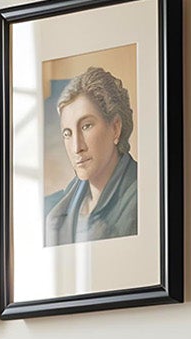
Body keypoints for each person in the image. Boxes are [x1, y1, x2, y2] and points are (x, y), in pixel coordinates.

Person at [44, 66, 139, 246]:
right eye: (67, 133)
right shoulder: (56, 209)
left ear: (115, 127)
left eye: (86, 126)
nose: (77, 147)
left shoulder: (143, 197)